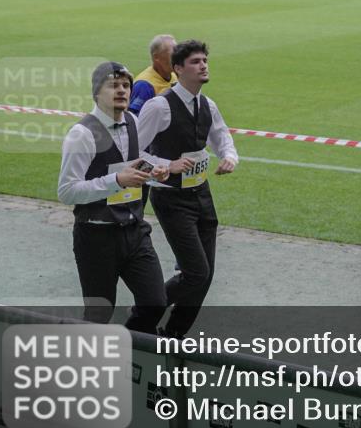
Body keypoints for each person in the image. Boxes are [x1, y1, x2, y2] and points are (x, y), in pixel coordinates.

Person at [136, 40, 238, 338]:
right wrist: (166, 164)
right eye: (195, 61)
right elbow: (131, 153)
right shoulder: (159, 107)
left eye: (205, 60)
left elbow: (222, 138)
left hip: (202, 195)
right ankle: (144, 315)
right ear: (178, 69)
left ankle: (172, 336)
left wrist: (229, 157)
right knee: (197, 273)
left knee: (204, 276)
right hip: (171, 199)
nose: (203, 65)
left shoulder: (208, 105)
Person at [57, 62, 169, 333]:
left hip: (134, 232)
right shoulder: (81, 134)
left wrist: (154, 170)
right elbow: (67, 190)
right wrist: (117, 181)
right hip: (96, 238)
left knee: (155, 302)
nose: (121, 90)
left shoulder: (133, 121)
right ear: (97, 92)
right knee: (98, 314)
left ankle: (129, 350)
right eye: (113, 85)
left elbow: (131, 162)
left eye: (125, 85)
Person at [128, 34, 176, 116]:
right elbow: (134, 119)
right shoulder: (144, 85)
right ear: (156, 57)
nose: (178, 57)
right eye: (173, 53)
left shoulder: (175, 75)